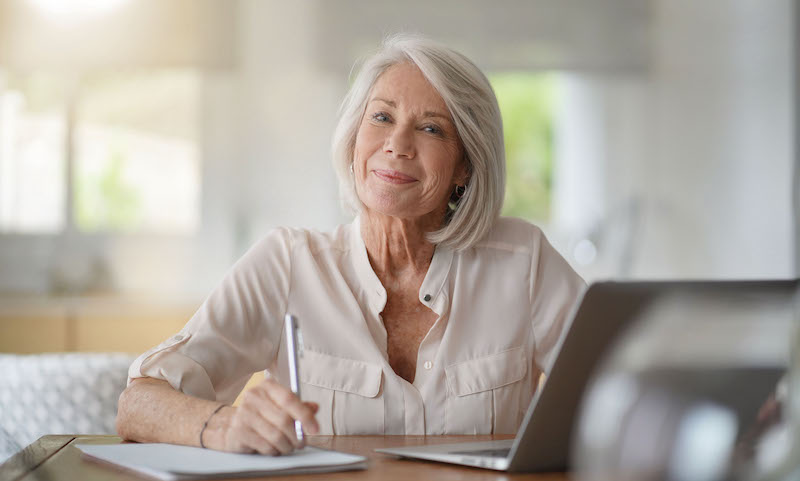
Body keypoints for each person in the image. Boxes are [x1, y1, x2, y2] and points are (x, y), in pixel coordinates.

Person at [116, 33, 585, 456]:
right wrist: (226, 425)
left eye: (431, 128)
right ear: (354, 138)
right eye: (381, 117)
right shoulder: (288, 263)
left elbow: (627, 378)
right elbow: (138, 403)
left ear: (465, 166)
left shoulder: (523, 262)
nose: (398, 144)